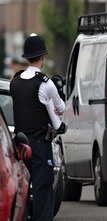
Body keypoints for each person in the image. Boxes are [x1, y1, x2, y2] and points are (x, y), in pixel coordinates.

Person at [10, 33, 66, 221]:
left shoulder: (14, 82)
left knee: (21, 187)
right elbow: (61, 107)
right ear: (43, 57)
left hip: (19, 145)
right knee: (43, 187)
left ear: (26, 57)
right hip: (40, 144)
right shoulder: (46, 83)